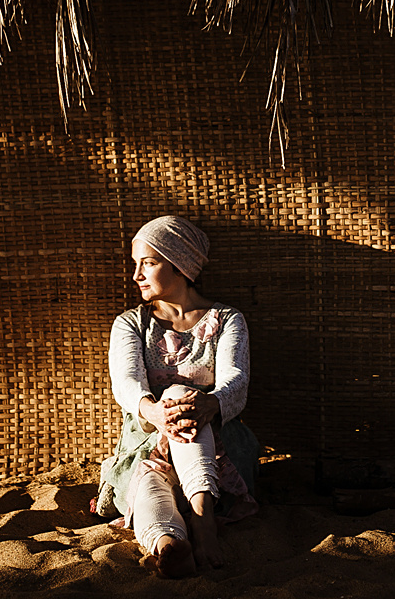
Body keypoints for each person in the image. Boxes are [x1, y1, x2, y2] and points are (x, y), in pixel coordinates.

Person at [94, 216, 257, 578]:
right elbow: (126, 382)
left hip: (216, 451)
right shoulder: (130, 323)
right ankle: (169, 544)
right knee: (149, 482)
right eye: (135, 264)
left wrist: (209, 403)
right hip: (149, 442)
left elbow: (236, 380)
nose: (136, 275)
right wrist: (155, 412)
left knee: (181, 397)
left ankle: (198, 522)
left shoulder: (227, 320)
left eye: (148, 263)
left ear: (180, 265)